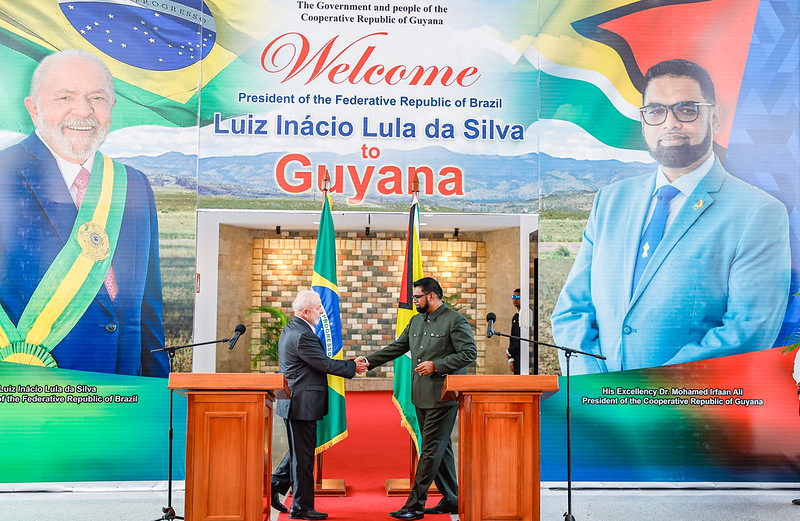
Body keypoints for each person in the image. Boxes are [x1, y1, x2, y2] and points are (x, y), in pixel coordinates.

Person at [550, 59, 791, 375]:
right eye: (656, 111)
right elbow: (571, 312)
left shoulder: (758, 212)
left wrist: (650, 396)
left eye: (687, 109)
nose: (670, 123)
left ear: (714, 117)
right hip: (601, 412)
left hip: (689, 416)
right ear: (643, 120)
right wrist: (597, 392)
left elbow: (748, 331)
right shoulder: (610, 201)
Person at [0, 49, 167, 376]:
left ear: (112, 108)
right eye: (64, 97)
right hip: (30, 396)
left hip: (126, 394)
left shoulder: (134, 184)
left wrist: (159, 399)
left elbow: (148, 309)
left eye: (98, 98)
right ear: (33, 109)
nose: (84, 110)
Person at [363, 277, 477, 520]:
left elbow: (469, 353)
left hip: (443, 396)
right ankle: (452, 499)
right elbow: (397, 347)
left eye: (417, 297)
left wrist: (437, 365)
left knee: (430, 449)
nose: (414, 300)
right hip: (420, 395)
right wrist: (368, 362)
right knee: (440, 448)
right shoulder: (416, 321)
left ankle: (415, 504)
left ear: (432, 296)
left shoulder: (455, 320)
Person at [270, 290, 368, 520]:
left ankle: (274, 485)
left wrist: (348, 363)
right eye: (317, 308)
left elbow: (314, 362)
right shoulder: (303, 335)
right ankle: (301, 508)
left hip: (295, 400)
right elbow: (323, 364)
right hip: (301, 402)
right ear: (305, 311)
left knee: (299, 451)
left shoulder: (292, 328)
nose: (321, 311)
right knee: (303, 457)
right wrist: (353, 367)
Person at [506, 288, 521, 374]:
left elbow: (521, 338)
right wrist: (511, 358)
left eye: (518, 297)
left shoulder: (525, 316)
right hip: (516, 359)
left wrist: (509, 351)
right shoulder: (515, 317)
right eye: (513, 297)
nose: (515, 299)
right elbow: (512, 338)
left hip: (523, 358)